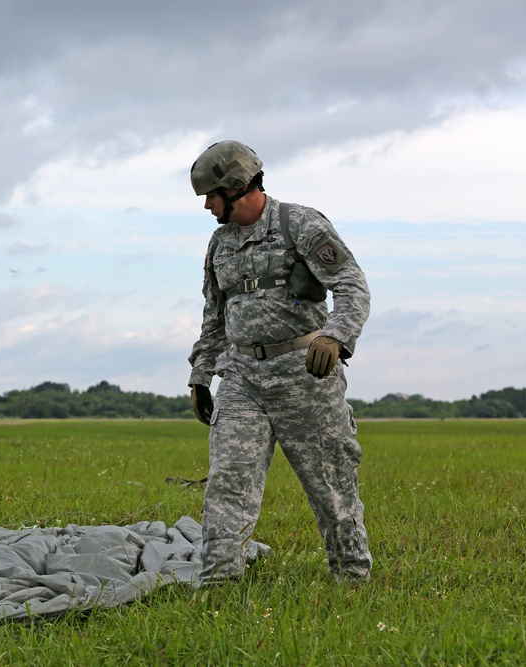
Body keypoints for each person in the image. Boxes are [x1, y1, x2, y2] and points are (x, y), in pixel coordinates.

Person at [186, 140, 372, 584]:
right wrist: (200, 374)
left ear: (236, 186)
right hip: (242, 379)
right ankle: (219, 585)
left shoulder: (301, 225)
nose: (208, 206)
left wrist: (335, 335)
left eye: (212, 195)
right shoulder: (218, 244)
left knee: (332, 487)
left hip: (306, 378)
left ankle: (352, 580)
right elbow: (215, 316)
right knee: (227, 482)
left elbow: (352, 286)